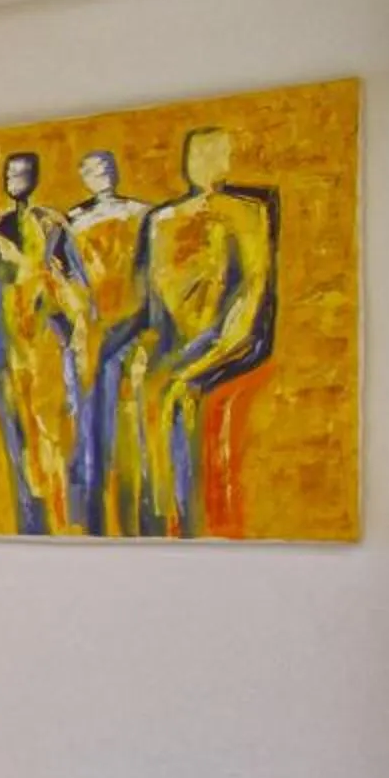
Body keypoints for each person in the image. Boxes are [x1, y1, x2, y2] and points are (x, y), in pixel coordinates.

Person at [124, 127, 278, 537]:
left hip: (228, 342)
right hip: (175, 344)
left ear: (227, 161)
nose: (203, 164)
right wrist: (144, 348)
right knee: (137, 382)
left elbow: (250, 300)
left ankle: (187, 528)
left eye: (214, 155)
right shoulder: (160, 220)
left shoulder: (247, 214)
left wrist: (203, 362)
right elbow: (152, 308)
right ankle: (154, 525)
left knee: (177, 392)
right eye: (196, 154)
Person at [0, 152, 93, 535]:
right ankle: (32, 531)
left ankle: (66, 531)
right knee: (21, 455)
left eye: (23, 173)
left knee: (58, 449)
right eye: (11, 173)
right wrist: (42, 281)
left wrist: (72, 336)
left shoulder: (52, 223)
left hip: (50, 354)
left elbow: (78, 290)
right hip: (8, 354)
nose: (16, 179)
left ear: (35, 177)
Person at [65, 150, 150, 533]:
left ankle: (130, 519)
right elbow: (65, 281)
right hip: (87, 332)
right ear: (84, 177)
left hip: (129, 328)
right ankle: (88, 521)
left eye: (107, 168)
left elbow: (149, 274)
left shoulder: (141, 214)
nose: (102, 175)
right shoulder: (72, 221)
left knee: (124, 425)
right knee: (84, 423)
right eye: (93, 170)